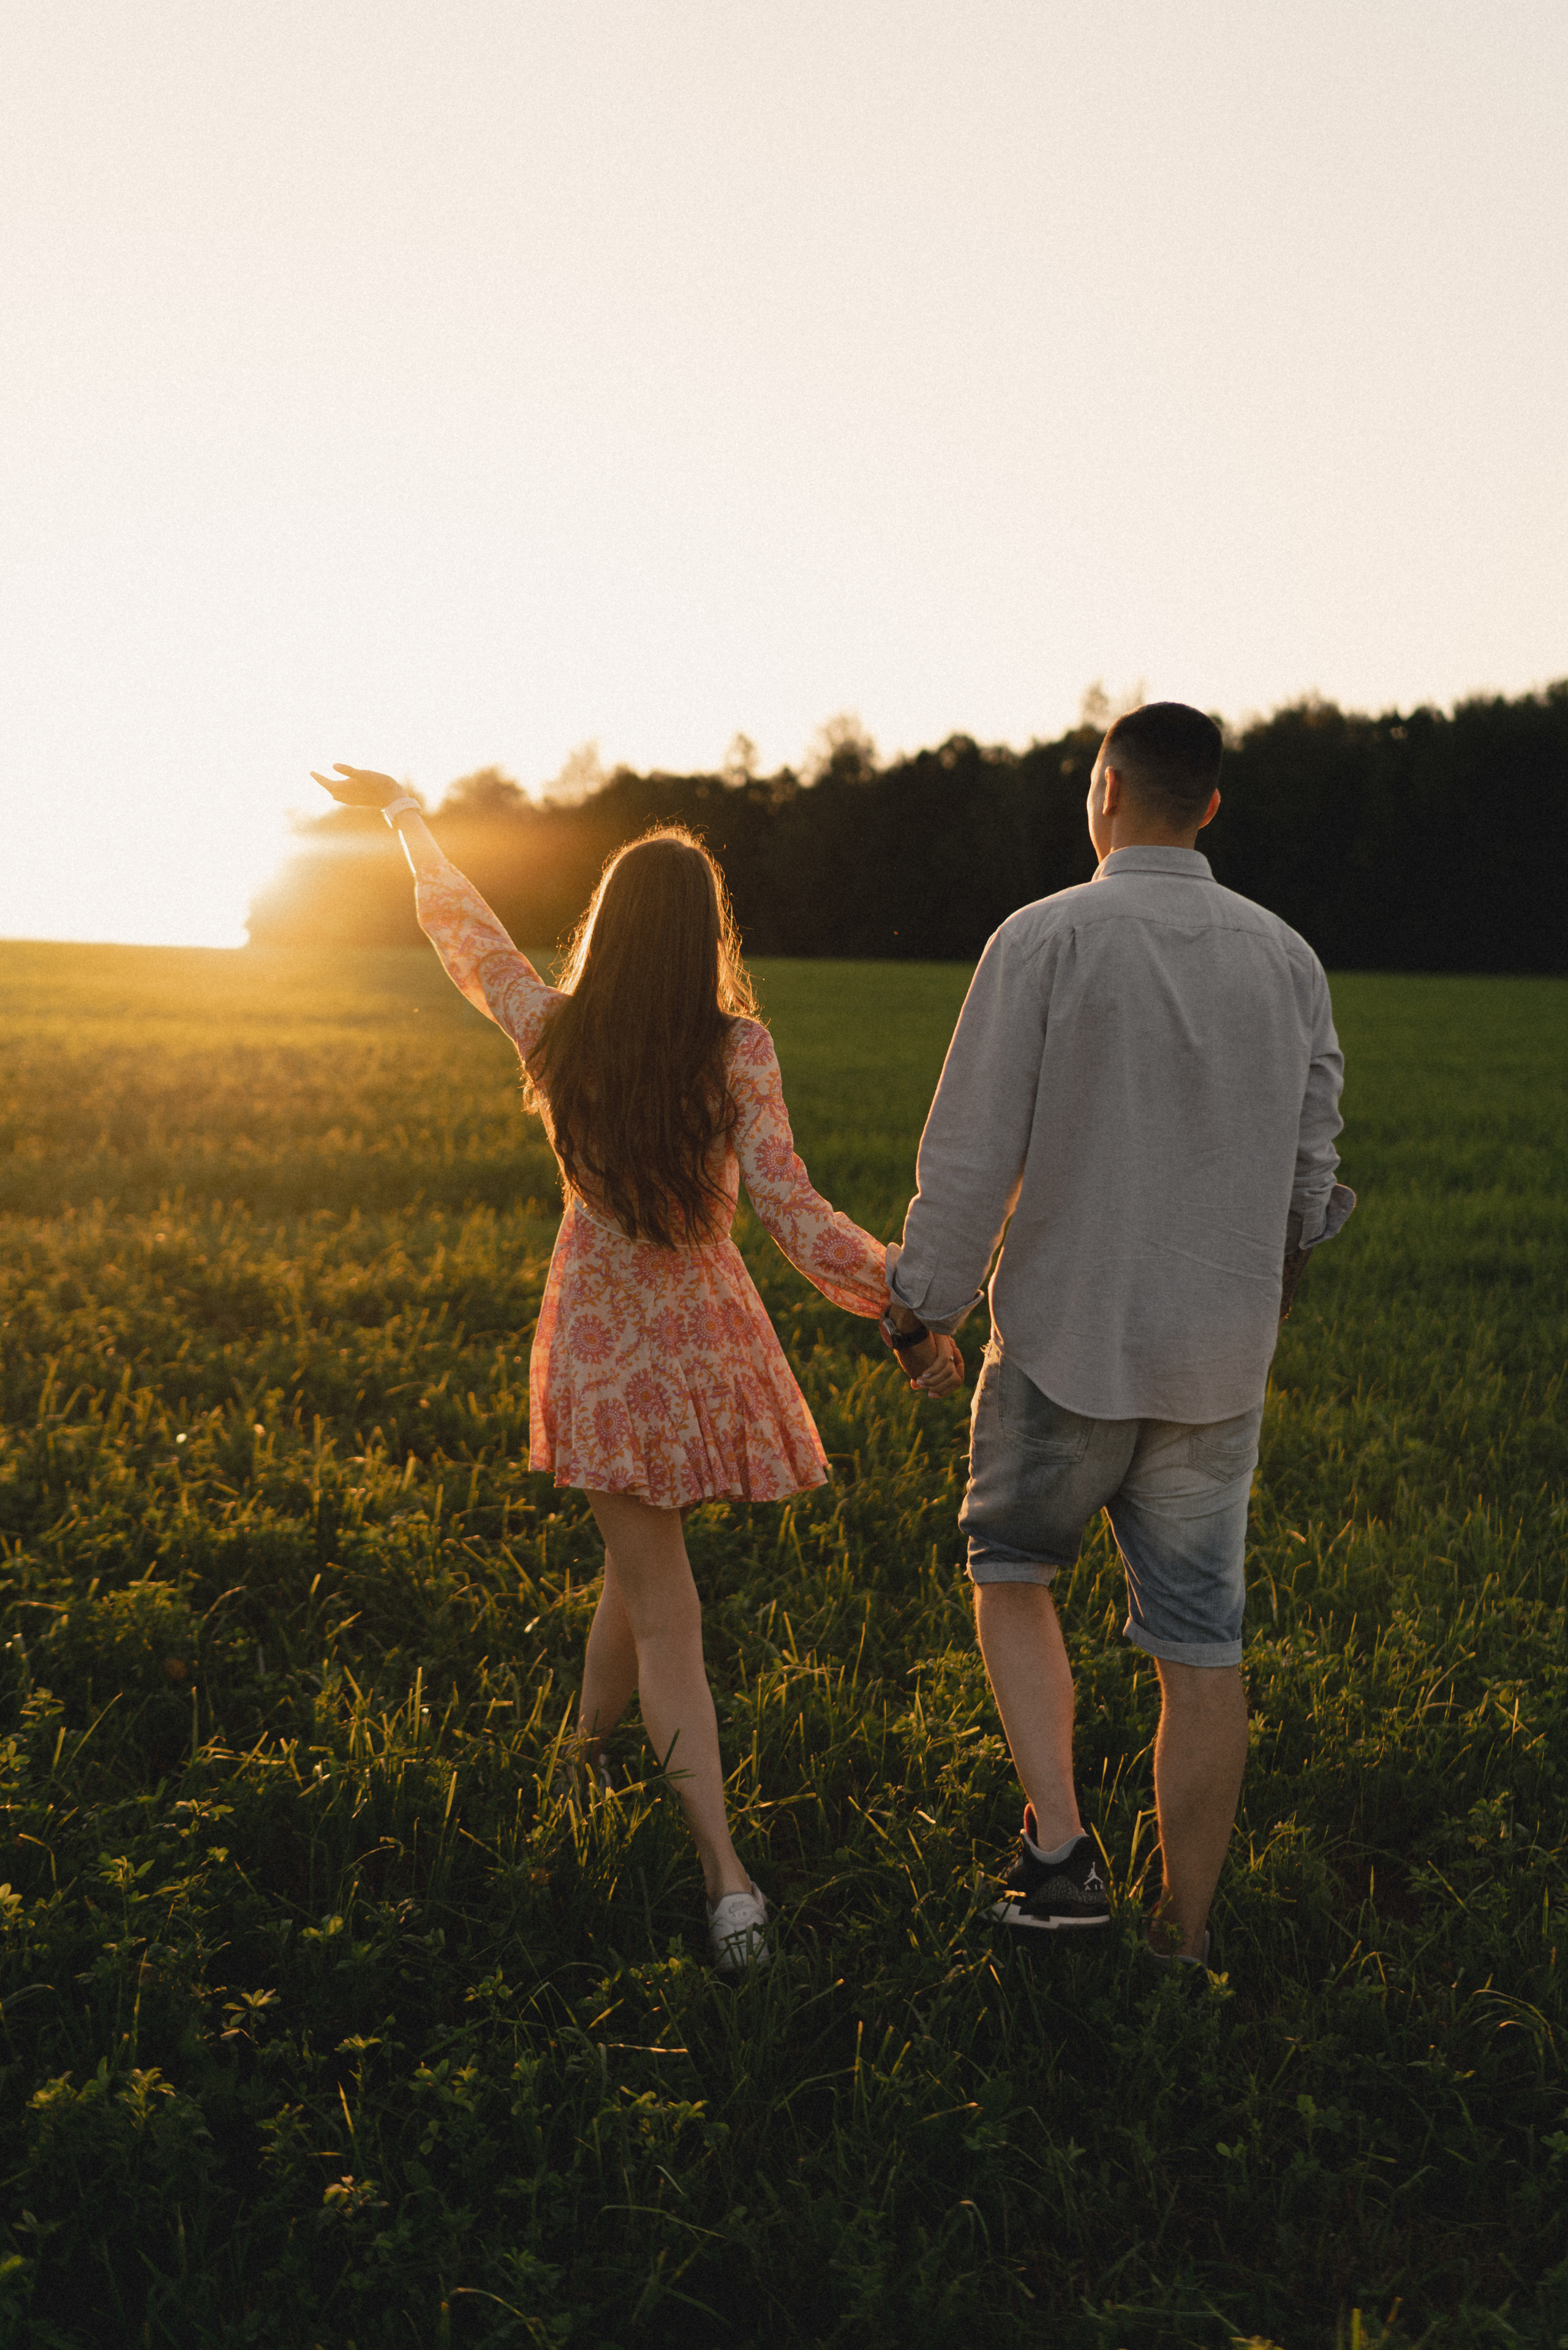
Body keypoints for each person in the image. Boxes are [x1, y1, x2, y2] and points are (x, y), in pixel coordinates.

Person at [310, 766, 946, 1973]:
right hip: (704, 1342)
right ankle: (725, 1879)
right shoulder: (737, 1047)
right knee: (667, 1607)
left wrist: (408, 819)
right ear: (707, 933)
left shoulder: (555, 1030)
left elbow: (468, 934)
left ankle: (578, 1759)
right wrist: (902, 1304)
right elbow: (794, 1210)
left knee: (645, 1569)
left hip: (602, 1345)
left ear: (609, 921)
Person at [883, 703, 1354, 1968]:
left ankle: (1058, 1848)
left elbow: (970, 1153)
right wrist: (1263, 1304)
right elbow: (1309, 1179)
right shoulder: (1285, 958)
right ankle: (1183, 1938)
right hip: (1215, 1364)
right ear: (1208, 805)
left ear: (1101, 792)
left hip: (1060, 1346)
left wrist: (923, 1306)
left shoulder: (1041, 938)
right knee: (1201, 1648)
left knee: (1009, 1570)